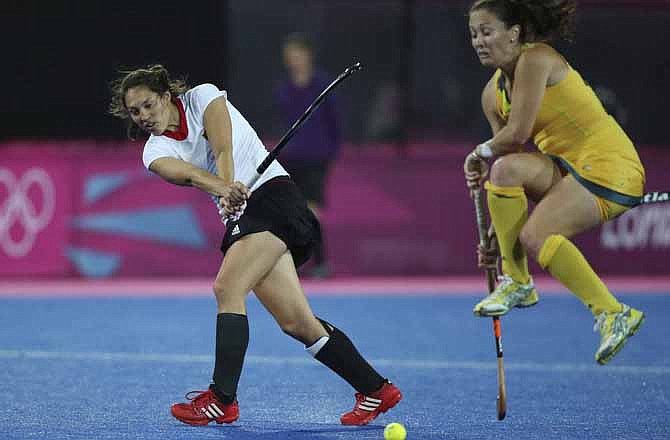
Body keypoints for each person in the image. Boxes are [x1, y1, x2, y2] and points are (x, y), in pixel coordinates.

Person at [109, 65, 401, 426]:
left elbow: (222, 144)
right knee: (298, 324)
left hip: (274, 200)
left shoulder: (203, 96)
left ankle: (221, 399)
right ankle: (375, 389)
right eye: (135, 112)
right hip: (247, 217)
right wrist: (222, 189)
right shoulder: (154, 151)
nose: (143, 117)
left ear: (166, 96)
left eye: (148, 105)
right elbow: (186, 173)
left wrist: (229, 184)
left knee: (227, 287)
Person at [463, 0, 646, 365]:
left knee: (536, 236)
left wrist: (476, 154)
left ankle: (613, 312)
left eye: (487, 31)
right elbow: (507, 162)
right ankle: (517, 282)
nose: (479, 41)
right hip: (568, 168)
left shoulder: (537, 59)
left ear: (513, 33)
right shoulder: (491, 95)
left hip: (610, 164)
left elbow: (517, 134)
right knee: (505, 172)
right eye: (473, 34)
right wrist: (496, 241)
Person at [274, 33, 341, 278]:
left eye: (297, 55)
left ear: (308, 55)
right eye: (289, 57)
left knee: (312, 210)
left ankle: (321, 262)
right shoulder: (283, 88)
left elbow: (335, 122)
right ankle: (299, 263)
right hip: (292, 158)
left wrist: (330, 153)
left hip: (317, 159)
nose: (293, 61)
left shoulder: (324, 84)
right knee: (294, 211)